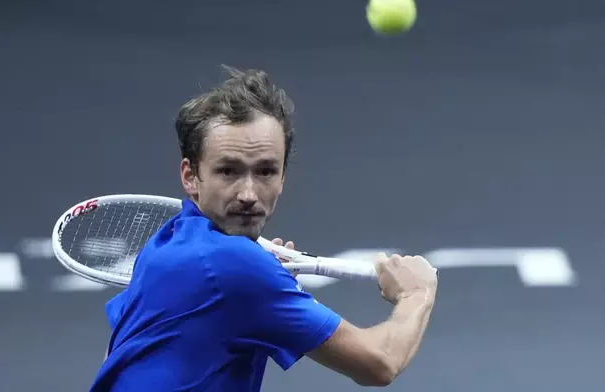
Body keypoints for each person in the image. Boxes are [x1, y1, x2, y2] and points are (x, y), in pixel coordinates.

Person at [89, 65, 438, 391]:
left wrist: (266, 290)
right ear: (190, 176)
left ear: (283, 176)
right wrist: (415, 294)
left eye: (266, 171)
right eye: (228, 171)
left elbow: (116, 356)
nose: (248, 194)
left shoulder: (166, 242)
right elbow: (379, 363)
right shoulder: (233, 263)